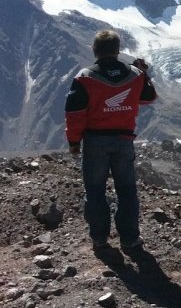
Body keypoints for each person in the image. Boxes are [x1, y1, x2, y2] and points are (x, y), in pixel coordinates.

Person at [65, 30, 158, 254]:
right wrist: (144, 74)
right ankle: (130, 239)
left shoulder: (85, 77)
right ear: (118, 50)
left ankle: (99, 239)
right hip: (124, 141)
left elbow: (75, 113)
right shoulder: (134, 74)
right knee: (126, 190)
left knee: (95, 190)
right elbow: (148, 97)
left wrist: (74, 141)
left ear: (95, 50)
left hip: (95, 141)